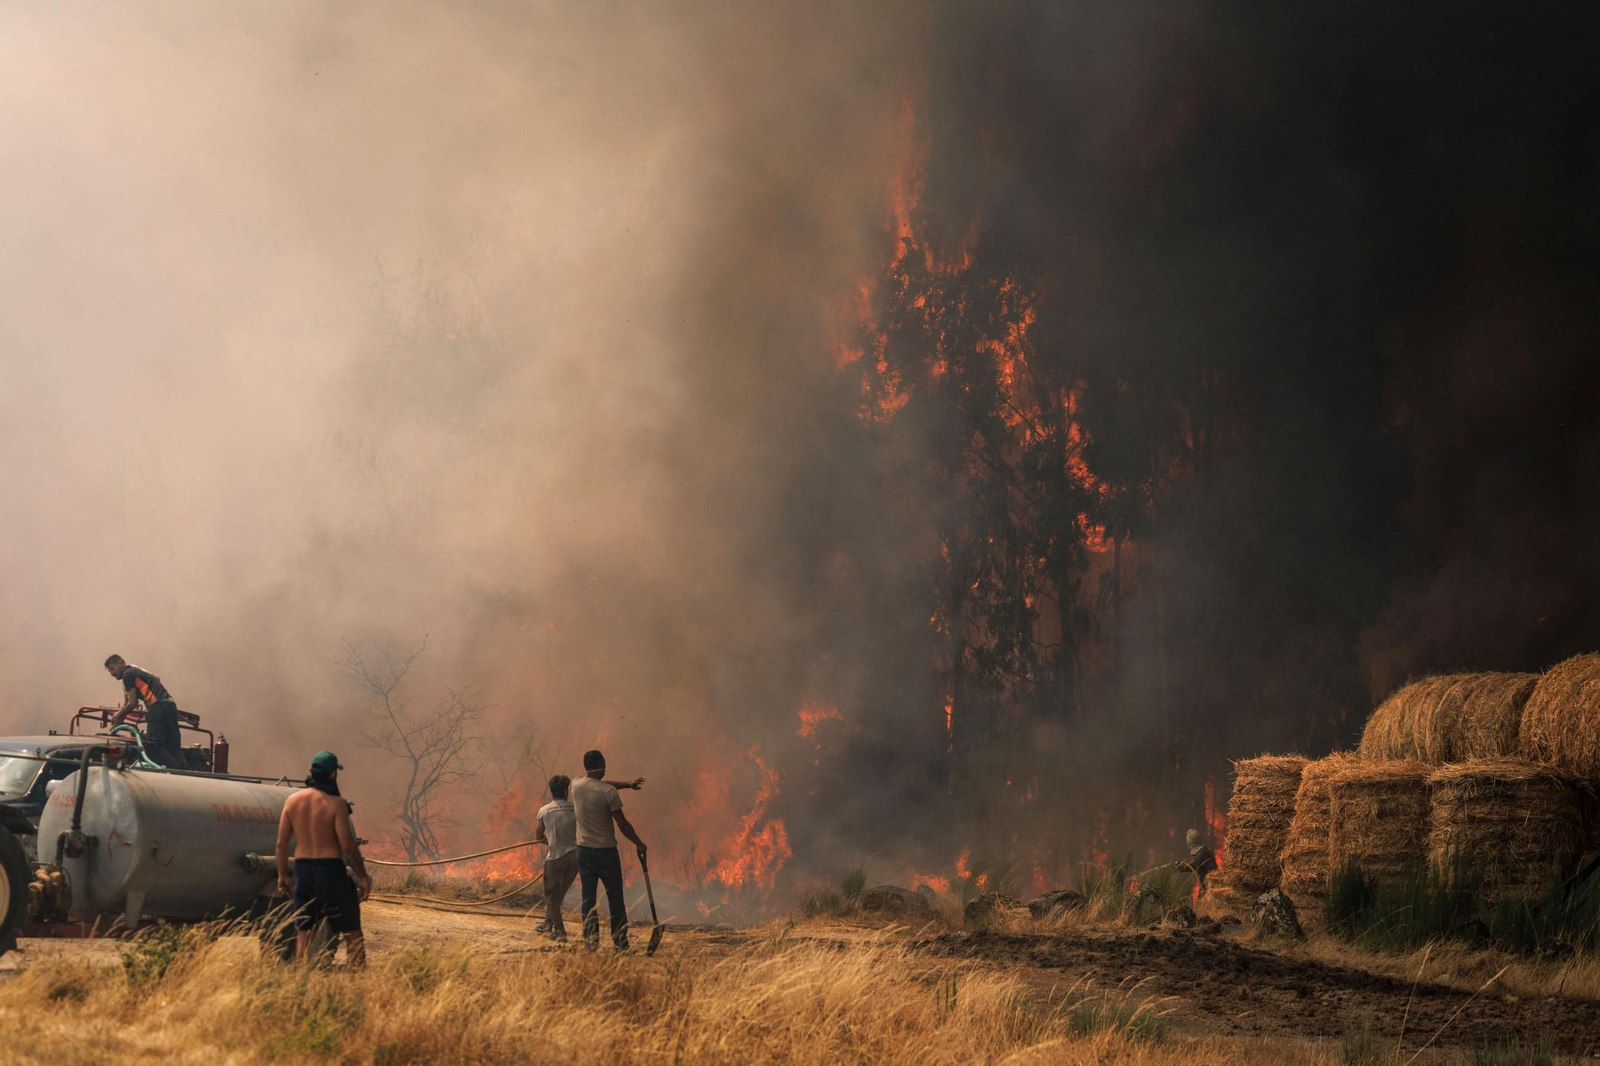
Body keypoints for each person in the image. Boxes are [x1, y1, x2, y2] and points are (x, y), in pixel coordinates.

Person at [275, 751, 372, 968]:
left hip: (302, 873)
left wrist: (283, 875)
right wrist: (362, 876)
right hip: (329, 873)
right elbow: (348, 847)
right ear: (333, 775)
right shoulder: (336, 804)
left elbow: (281, 844)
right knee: (352, 933)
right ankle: (358, 986)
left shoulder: (292, 801)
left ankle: (301, 985)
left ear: (310, 772)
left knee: (304, 934)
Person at [571, 749, 646, 952]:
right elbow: (622, 824)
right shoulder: (608, 793)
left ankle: (591, 944)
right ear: (602, 764)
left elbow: (601, 785)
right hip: (606, 853)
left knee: (588, 899)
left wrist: (628, 784)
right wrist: (639, 843)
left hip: (584, 852)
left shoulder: (575, 785)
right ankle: (620, 944)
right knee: (615, 899)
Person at [103, 654, 185, 769]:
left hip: (157, 707)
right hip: (169, 705)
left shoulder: (127, 674)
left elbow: (133, 703)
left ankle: (174, 772)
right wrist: (119, 719)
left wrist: (118, 715)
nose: (111, 673)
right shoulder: (134, 671)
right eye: (109, 671)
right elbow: (127, 703)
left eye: (112, 669)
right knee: (173, 746)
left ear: (121, 663)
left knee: (154, 746)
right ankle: (185, 771)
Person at [533, 774, 578, 941]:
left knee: (552, 895)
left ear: (552, 791)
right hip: (575, 858)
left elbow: (538, 836)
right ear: (566, 791)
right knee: (559, 894)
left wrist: (549, 839)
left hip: (556, 857)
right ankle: (547, 923)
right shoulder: (575, 808)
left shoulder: (544, 810)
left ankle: (559, 930)